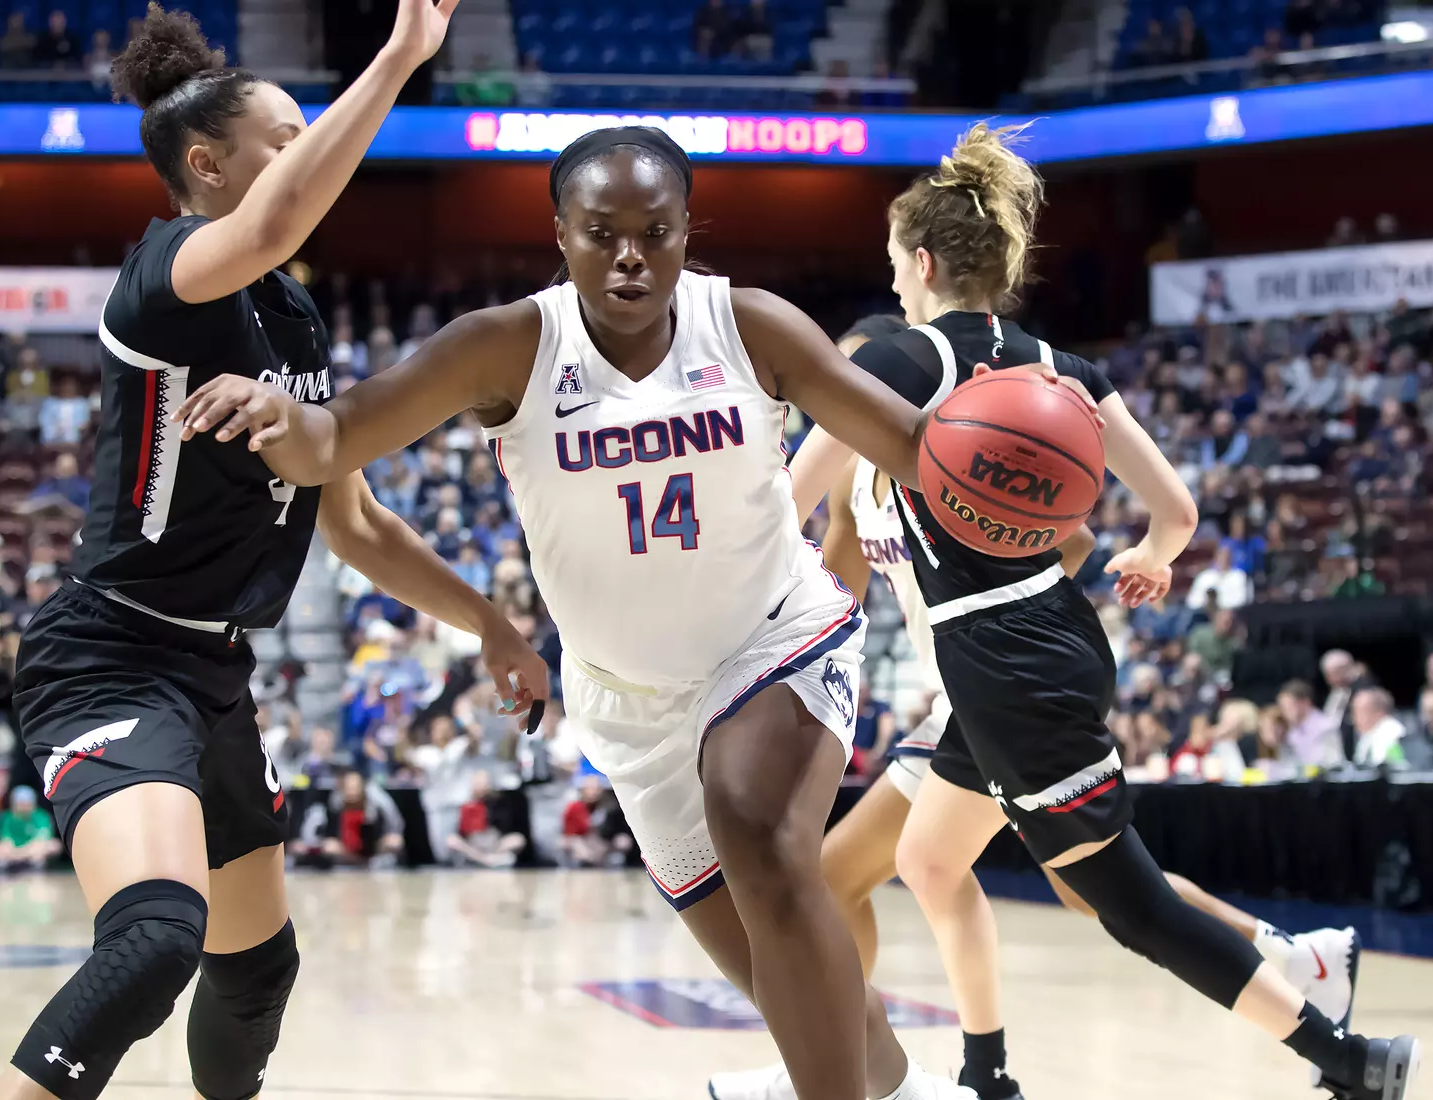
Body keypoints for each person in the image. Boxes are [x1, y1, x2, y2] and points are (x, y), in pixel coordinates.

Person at [170, 124, 1093, 1100]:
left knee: (757, 827)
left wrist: (1027, 476)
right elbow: (338, 436)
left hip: (777, 636)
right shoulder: (506, 346)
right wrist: (285, 421)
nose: (629, 255)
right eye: (601, 231)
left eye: (655, 231)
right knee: (787, 971)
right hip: (630, 705)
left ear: (688, 230)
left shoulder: (752, 326)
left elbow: (913, 447)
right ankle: (901, 1086)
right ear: (559, 233)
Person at [781, 122, 1418, 1100]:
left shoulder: (907, 364)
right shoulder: (1063, 365)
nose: (897, 287)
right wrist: (1150, 556)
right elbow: (1177, 512)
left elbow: (788, 499)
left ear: (920, 263)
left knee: (1131, 906)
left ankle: (1350, 1058)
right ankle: (988, 1073)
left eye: (895, 270)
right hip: (1052, 636)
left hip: (1002, 666)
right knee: (929, 858)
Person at [0, 5, 547, 1100]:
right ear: (207, 163)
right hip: (111, 654)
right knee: (155, 938)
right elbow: (275, 222)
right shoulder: (164, 275)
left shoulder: (288, 317)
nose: (304, 155)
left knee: (256, 972)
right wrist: (394, 62)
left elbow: (358, 524)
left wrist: (490, 619)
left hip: (218, 675)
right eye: (284, 138)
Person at [712, 315, 1360, 1100]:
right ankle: (1285, 963)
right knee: (987, 874)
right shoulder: (856, 489)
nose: (842, 400)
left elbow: (1074, 537)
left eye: (853, 381)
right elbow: (839, 595)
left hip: (993, 688)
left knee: (881, 877)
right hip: (960, 696)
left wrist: (1016, 606)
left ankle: (842, 1066)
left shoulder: (940, 449)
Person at [0, 786, 64, 869]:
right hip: (14, 851)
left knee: (53, 845)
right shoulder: (7, 817)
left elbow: (41, 840)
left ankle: (30, 862)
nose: (23, 807)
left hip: (31, 849)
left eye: (26, 804)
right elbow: (6, 840)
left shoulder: (41, 816)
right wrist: (16, 852)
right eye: (20, 804)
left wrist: (21, 853)